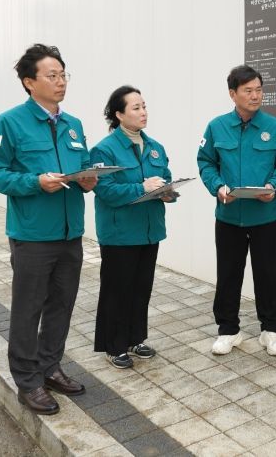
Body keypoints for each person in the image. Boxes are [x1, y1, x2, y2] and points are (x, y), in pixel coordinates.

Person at [0, 44, 97, 415]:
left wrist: (88, 180)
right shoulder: (7, 122)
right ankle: (28, 381)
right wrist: (34, 182)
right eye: (52, 75)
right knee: (28, 309)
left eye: (63, 74)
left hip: (70, 233)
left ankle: (50, 367)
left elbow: (81, 165)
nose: (61, 81)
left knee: (62, 305)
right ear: (29, 82)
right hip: (32, 235)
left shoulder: (73, 124)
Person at [197, 65, 276, 356]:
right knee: (228, 274)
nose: (255, 95)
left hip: (265, 216)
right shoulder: (216, 127)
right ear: (233, 94)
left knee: (267, 274)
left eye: (259, 90)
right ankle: (228, 330)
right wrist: (217, 186)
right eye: (248, 90)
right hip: (228, 216)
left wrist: (274, 185)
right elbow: (206, 162)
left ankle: (270, 330)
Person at [91, 85, 175, 369]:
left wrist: (167, 192)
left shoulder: (155, 148)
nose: (143, 112)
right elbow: (105, 190)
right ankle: (114, 345)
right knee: (117, 290)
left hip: (149, 230)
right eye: (136, 107)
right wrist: (141, 187)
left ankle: (136, 338)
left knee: (141, 288)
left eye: (144, 106)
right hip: (120, 233)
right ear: (119, 114)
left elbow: (164, 178)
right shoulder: (104, 149)